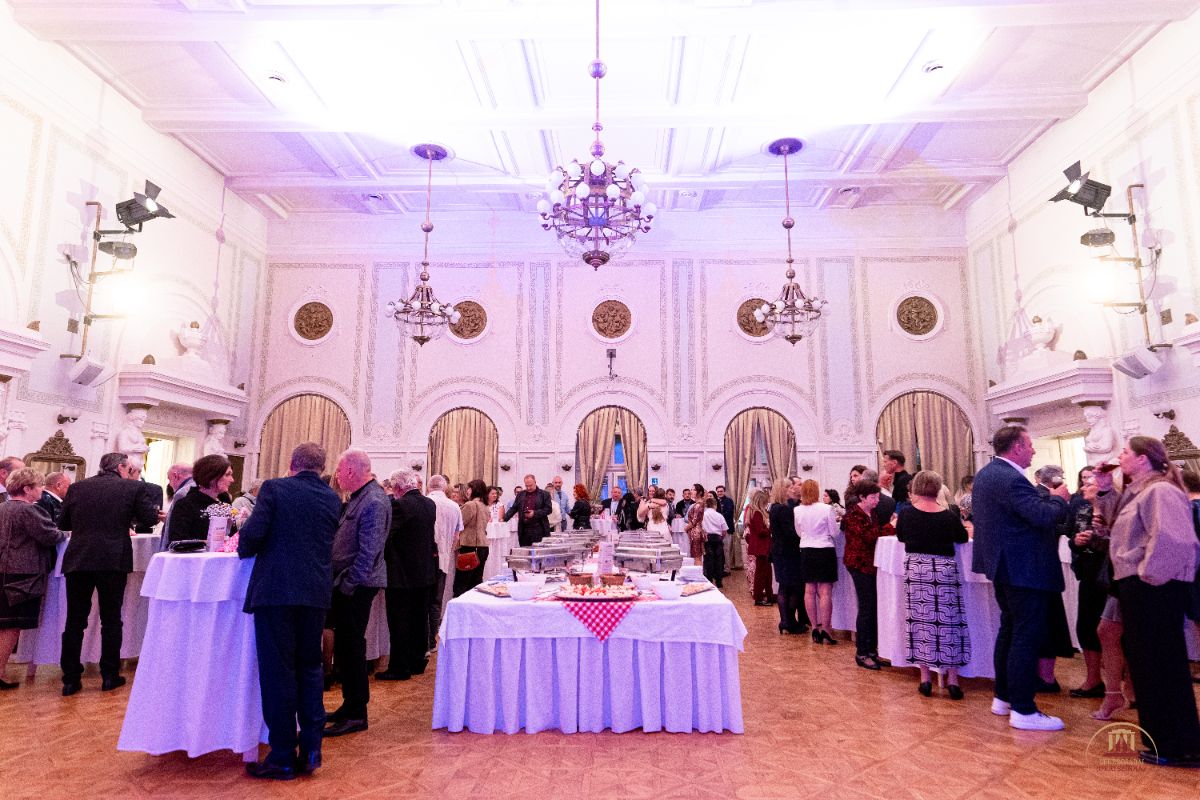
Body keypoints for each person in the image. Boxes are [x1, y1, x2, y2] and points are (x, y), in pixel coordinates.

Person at [237, 442, 340, 780]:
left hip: (277, 591)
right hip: (314, 593)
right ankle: (312, 749)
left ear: (292, 463)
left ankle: (282, 754)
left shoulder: (274, 488)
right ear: (321, 467)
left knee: (278, 672)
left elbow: (252, 537)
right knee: (310, 669)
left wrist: (246, 542)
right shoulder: (331, 497)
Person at [970, 424, 1069, 731]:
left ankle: (1003, 697)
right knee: (1026, 636)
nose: (1034, 450)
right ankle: (1024, 709)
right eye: (1029, 445)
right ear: (1016, 447)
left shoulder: (987, 474)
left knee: (1010, 631)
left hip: (1006, 567)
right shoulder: (1011, 479)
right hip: (1024, 569)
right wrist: (1058, 498)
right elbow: (1041, 515)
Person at [1109, 436, 1200, 767]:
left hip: (1153, 588)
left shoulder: (1160, 490)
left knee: (1162, 664)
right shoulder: (1140, 491)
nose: (1120, 456)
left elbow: (1175, 540)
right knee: (1149, 664)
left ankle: (1179, 744)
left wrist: (1147, 576)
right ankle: (1163, 740)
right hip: (1143, 587)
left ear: (1143, 459)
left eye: (1125, 452)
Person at [56, 452, 159, 696]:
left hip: (79, 558)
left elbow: (63, 523)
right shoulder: (133, 488)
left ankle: (70, 678)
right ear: (122, 467)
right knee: (111, 619)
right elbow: (148, 519)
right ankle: (110, 675)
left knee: (75, 620)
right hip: (113, 559)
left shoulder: (78, 487)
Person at [323, 450, 390, 737]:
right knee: (347, 646)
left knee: (351, 647)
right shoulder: (361, 497)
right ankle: (349, 706)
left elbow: (369, 552)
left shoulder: (373, 501)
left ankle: (356, 713)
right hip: (349, 583)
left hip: (356, 586)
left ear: (350, 471)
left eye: (339, 471)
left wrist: (348, 584)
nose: (337, 476)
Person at [896, 470, 971, 698]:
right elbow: (962, 538)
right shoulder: (948, 515)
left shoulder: (906, 514)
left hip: (917, 569)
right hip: (943, 569)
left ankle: (925, 678)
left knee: (920, 622)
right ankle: (953, 680)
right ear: (938, 489)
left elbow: (901, 537)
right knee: (950, 622)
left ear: (916, 488)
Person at [0, 468, 68, 689]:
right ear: (27, 489)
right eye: (38, 486)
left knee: (4, 624)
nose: (41, 490)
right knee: (11, 626)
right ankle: (0, 672)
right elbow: (51, 535)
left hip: (4, 570)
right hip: (22, 574)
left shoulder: (2, 507)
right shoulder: (29, 511)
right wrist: (67, 534)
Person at [378, 470, 436, 684]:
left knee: (399, 621)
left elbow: (387, 537)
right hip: (424, 572)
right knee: (419, 619)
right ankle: (417, 661)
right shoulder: (429, 504)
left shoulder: (400, 505)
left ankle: (400, 667)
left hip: (401, 574)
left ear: (398, 487)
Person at [841, 480, 893, 669]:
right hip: (859, 565)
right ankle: (862, 653)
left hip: (870, 564)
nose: (877, 500)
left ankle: (872, 650)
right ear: (862, 497)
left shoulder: (872, 514)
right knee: (866, 608)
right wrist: (891, 526)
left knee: (872, 607)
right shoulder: (853, 516)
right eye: (873, 497)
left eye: (878, 497)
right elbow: (869, 536)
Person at [1066, 466, 1107, 700]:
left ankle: (1126, 684)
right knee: (1087, 626)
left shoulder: (1113, 508)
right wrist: (1077, 541)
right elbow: (1071, 536)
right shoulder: (1081, 509)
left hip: (1110, 574)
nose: (1083, 487)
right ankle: (1093, 680)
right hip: (1089, 573)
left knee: (1113, 629)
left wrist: (1096, 538)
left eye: (1089, 484)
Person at [795, 479, 840, 645]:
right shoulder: (826, 509)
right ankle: (826, 629)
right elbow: (834, 533)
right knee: (825, 591)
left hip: (806, 550)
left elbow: (799, 532)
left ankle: (814, 627)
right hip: (824, 549)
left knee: (809, 590)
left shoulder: (797, 510)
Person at [425, 475, 463, 647]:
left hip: (424, 558)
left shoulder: (424, 502)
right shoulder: (454, 506)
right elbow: (457, 536)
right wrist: (447, 550)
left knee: (421, 600)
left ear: (428, 487)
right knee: (436, 601)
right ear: (445, 487)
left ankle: (421, 641)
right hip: (443, 558)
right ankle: (432, 640)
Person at [164, 454, 233, 545]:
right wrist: (208, 543)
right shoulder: (186, 505)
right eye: (227, 475)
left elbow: (232, 535)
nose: (232, 480)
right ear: (211, 476)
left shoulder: (224, 501)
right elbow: (177, 541)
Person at [769, 481, 808, 633]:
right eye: (789, 487)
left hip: (779, 551)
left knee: (784, 586)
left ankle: (787, 621)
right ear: (783, 490)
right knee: (791, 588)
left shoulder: (774, 507)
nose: (793, 489)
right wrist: (804, 535)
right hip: (788, 552)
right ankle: (788, 621)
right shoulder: (784, 509)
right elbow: (790, 532)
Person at [455, 480, 490, 596]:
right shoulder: (485, 506)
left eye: (469, 489)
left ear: (474, 490)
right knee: (476, 582)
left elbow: (459, 524)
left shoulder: (470, 505)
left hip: (470, 546)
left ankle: (458, 606)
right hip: (483, 546)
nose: (467, 491)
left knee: (462, 584)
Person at [743, 488, 773, 606]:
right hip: (761, 547)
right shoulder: (757, 513)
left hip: (761, 546)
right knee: (761, 574)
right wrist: (770, 529)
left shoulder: (754, 512)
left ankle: (767, 595)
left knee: (764, 572)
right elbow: (760, 531)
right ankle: (759, 597)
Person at [503, 474, 552, 547]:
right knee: (524, 551)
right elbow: (514, 508)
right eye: (526, 486)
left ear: (535, 482)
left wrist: (534, 513)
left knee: (538, 551)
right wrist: (503, 519)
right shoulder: (520, 494)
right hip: (524, 529)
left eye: (530, 485)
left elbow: (548, 509)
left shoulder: (544, 494)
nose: (528, 488)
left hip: (539, 529)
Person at [158, 463, 195, 551]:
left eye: (169, 479)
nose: (170, 484)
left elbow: (173, 529)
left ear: (176, 476)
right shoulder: (197, 487)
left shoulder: (182, 493)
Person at [700, 495, 728, 587]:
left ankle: (709, 580)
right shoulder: (719, 515)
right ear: (715, 505)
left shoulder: (703, 515)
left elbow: (701, 528)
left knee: (708, 560)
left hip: (707, 539)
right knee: (719, 561)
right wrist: (721, 537)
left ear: (706, 505)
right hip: (718, 539)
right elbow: (724, 529)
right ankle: (719, 582)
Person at [684, 483, 707, 562]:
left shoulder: (698, 505)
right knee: (697, 556)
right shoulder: (698, 504)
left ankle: (698, 570)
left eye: (694, 490)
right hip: (696, 531)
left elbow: (694, 521)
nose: (691, 491)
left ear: (700, 492)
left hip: (696, 532)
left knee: (697, 557)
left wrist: (686, 528)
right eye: (691, 489)